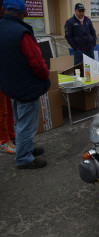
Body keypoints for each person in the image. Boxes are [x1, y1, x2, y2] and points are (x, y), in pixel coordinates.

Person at [0, 0, 50, 169]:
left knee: (18, 121)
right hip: (26, 86)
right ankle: (24, 158)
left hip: (10, 84)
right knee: (26, 125)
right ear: (24, 13)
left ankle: (25, 148)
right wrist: (45, 79)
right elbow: (37, 62)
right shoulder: (22, 33)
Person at [0, 0, 16, 155]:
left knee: (8, 107)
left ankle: (12, 136)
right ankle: (3, 141)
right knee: (2, 110)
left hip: (5, 72)